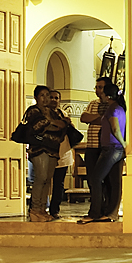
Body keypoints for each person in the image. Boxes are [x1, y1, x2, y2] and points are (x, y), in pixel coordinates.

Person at [21, 85, 71, 222]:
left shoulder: (53, 112)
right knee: (40, 177)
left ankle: (42, 209)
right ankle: (35, 209)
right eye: (42, 95)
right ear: (36, 97)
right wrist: (54, 123)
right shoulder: (33, 111)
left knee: (48, 179)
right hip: (39, 149)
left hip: (53, 150)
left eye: (47, 95)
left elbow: (62, 126)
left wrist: (55, 123)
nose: (46, 98)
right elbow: (39, 126)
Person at [79, 84, 126, 224]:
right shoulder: (119, 108)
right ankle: (107, 213)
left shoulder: (112, 109)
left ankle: (95, 213)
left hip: (112, 148)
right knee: (107, 180)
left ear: (107, 95)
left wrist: (124, 145)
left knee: (95, 179)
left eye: (101, 91)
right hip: (114, 148)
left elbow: (115, 128)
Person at [47, 89, 83, 219]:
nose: (54, 100)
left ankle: (54, 209)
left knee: (59, 183)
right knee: (44, 181)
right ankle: (38, 208)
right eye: (51, 97)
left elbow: (70, 130)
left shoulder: (63, 113)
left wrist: (68, 123)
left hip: (63, 152)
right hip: (48, 152)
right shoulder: (43, 114)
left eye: (56, 98)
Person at [80, 77, 111, 207]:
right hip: (91, 147)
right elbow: (83, 117)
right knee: (92, 178)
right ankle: (95, 205)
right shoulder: (93, 103)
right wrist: (99, 117)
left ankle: (106, 206)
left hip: (106, 148)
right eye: (96, 87)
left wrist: (94, 119)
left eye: (100, 87)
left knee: (106, 179)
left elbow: (108, 121)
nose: (97, 90)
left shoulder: (112, 104)